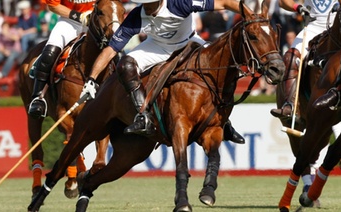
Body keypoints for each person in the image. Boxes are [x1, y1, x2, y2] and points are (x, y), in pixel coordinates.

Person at [79, 0, 245, 143]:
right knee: (125, 65)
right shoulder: (137, 15)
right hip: (157, 46)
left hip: (188, 42)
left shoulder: (179, 3)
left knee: (219, 69)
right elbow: (111, 50)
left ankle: (225, 123)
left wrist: (250, 13)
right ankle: (144, 116)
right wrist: (91, 79)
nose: (148, 8)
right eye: (145, 4)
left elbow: (224, 3)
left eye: (151, 4)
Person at [270, 0, 341, 118]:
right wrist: (298, 7)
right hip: (313, 26)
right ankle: (290, 105)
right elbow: (283, 2)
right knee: (290, 57)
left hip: (337, 27)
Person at [27, 0, 95, 118]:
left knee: (116, 52)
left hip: (97, 21)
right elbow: (53, 6)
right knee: (50, 52)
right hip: (70, 21)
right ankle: (38, 97)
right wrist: (79, 16)